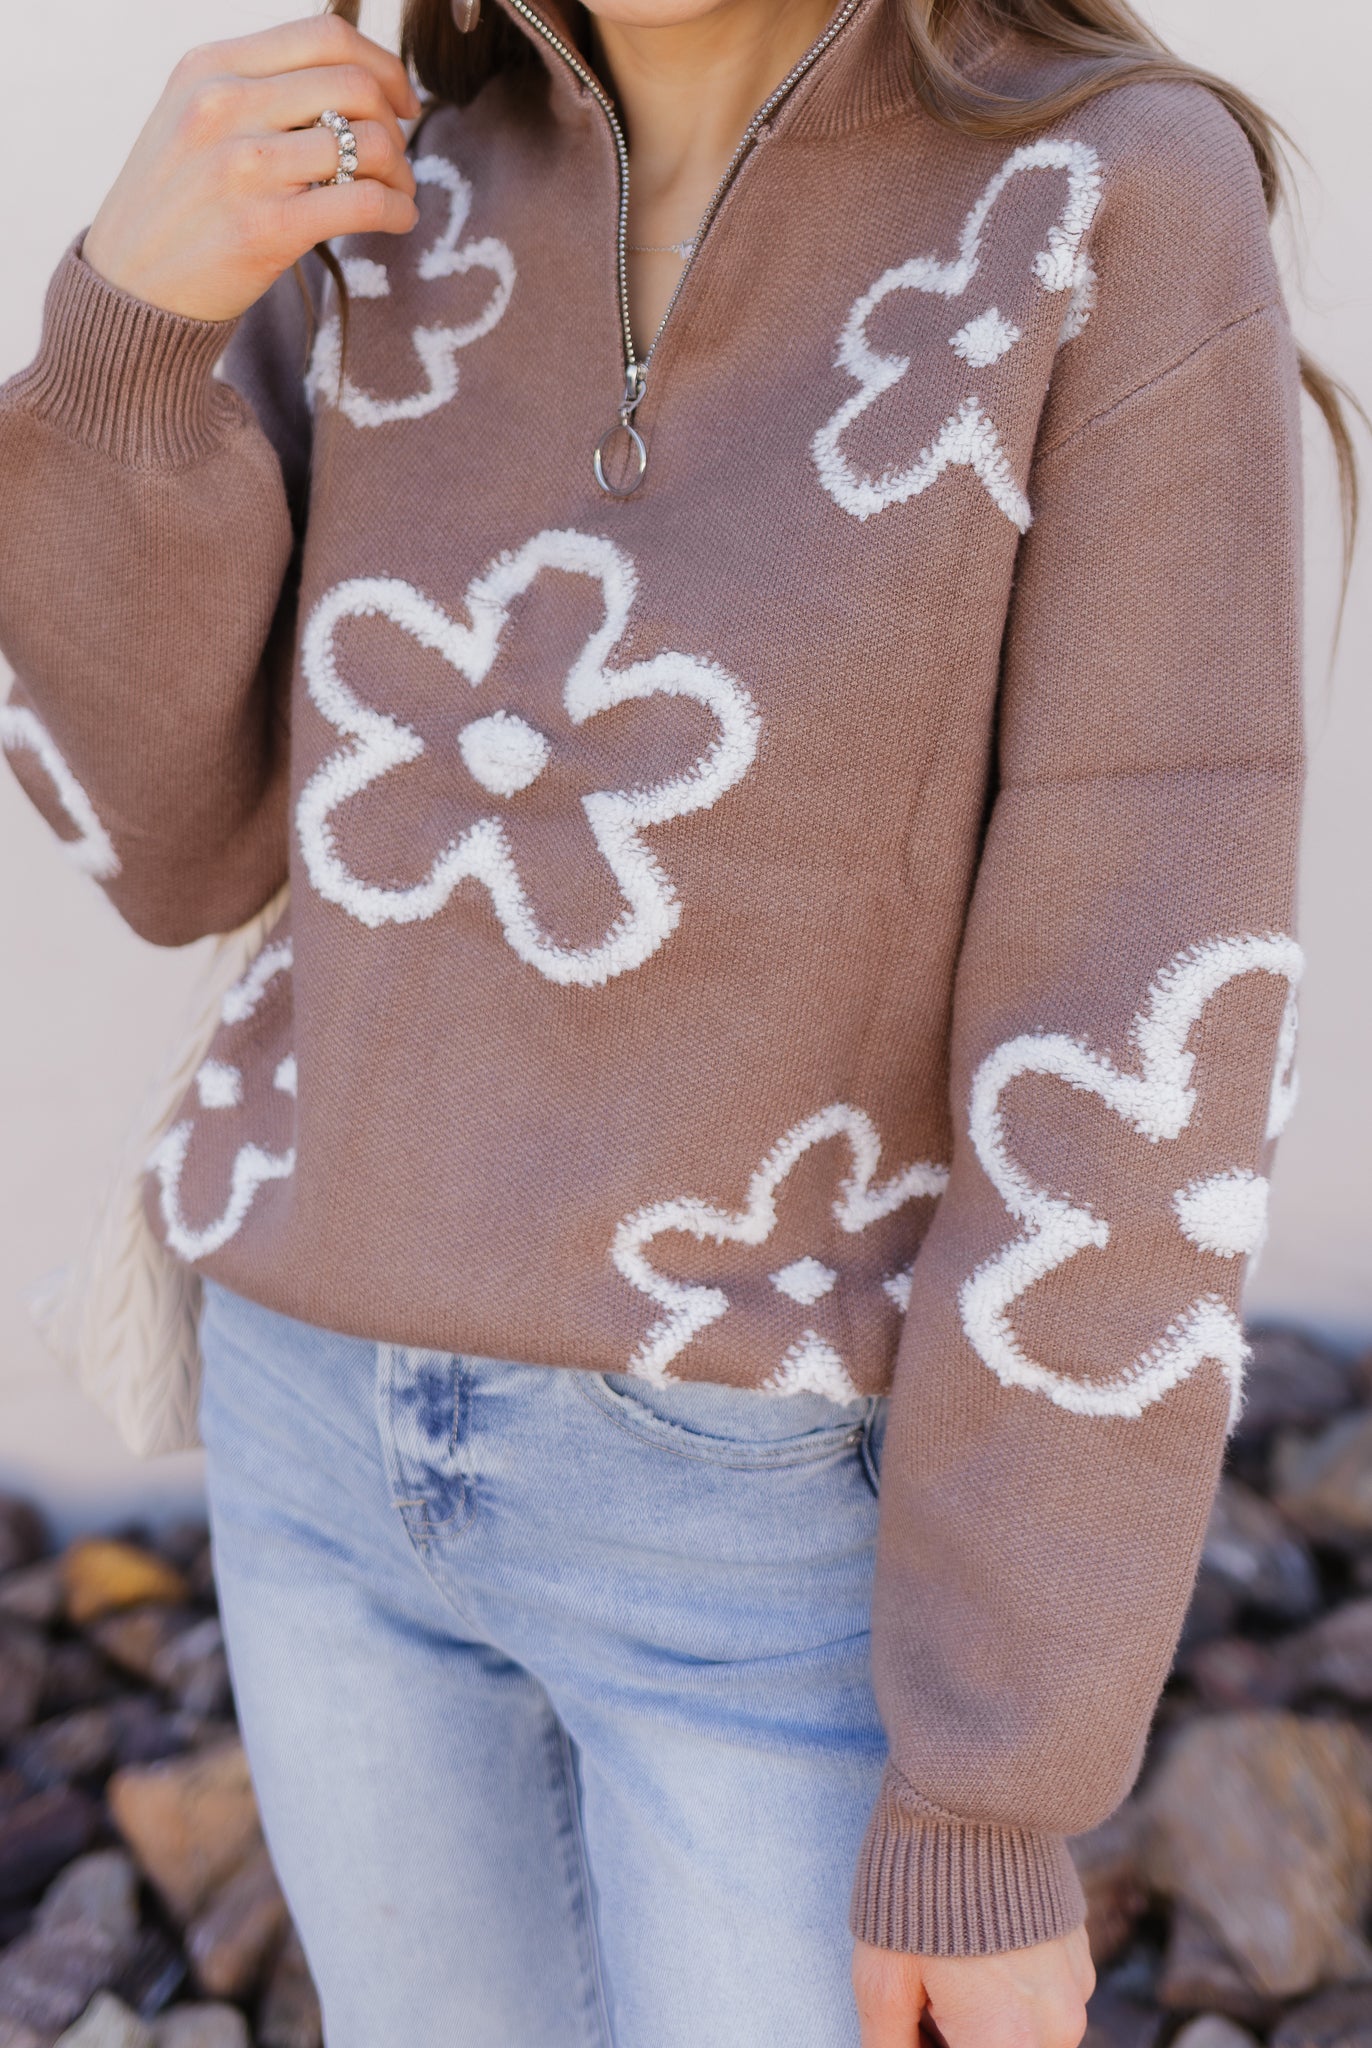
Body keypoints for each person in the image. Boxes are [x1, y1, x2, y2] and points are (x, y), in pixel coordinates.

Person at [0, 0, 1355, 2039]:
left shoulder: (1101, 203)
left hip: (763, 1536)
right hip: (317, 1442)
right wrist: (130, 338)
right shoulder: (396, 190)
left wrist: (990, 1788)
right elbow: (175, 841)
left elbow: (1137, 1039)